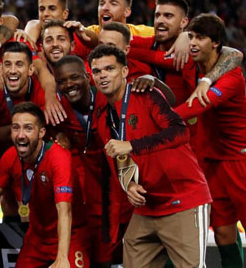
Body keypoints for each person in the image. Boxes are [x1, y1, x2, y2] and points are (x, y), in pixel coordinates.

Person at [89, 45, 211, 267]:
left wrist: (132, 145)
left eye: (109, 69)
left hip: (182, 199)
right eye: (97, 71)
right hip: (148, 206)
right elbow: (120, 159)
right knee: (133, 256)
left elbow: (179, 132)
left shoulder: (146, 94)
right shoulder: (103, 117)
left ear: (125, 71)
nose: (102, 75)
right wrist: (130, 186)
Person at [175, 14, 246, 268]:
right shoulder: (192, 65)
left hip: (243, 159)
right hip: (212, 162)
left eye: (201, 38)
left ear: (216, 43)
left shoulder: (232, 78)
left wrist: (157, 122)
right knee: (222, 233)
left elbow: (196, 106)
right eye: (191, 37)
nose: (193, 43)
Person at [0, 101, 89, 268]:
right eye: (15, 128)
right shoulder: (10, 157)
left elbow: (65, 210)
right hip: (37, 239)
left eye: (28, 128)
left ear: (41, 132)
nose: (20, 135)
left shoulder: (59, 158)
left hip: (70, 235)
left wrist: (62, 258)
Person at [52, 55, 120, 267]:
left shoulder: (109, 98)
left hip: (123, 191)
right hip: (92, 199)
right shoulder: (57, 109)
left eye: (74, 78)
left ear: (87, 76)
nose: (69, 85)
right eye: (62, 81)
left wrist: (151, 80)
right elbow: (29, 124)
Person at [127, 0, 243, 107]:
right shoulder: (146, 42)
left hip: (186, 121)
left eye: (168, 16)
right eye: (157, 15)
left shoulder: (194, 50)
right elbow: (116, 41)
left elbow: (235, 54)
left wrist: (206, 81)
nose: (160, 20)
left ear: (183, 22)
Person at [0, 42, 46, 205]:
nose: (12, 71)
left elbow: (45, 135)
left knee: (19, 207)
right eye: (8, 65)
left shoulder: (41, 91)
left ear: (31, 69)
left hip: (25, 150)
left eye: (19, 64)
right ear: (1, 68)